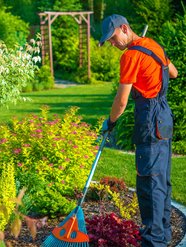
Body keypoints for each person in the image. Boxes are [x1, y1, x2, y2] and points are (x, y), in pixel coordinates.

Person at [99, 14, 178, 247]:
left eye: (113, 39)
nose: (113, 45)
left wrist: (111, 122)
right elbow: (173, 72)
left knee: (149, 182)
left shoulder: (131, 56)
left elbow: (121, 101)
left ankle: (153, 241)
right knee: (161, 178)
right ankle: (163, 236)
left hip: (149, 118)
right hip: (164, 116)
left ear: (125, 28)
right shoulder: (152, 45)